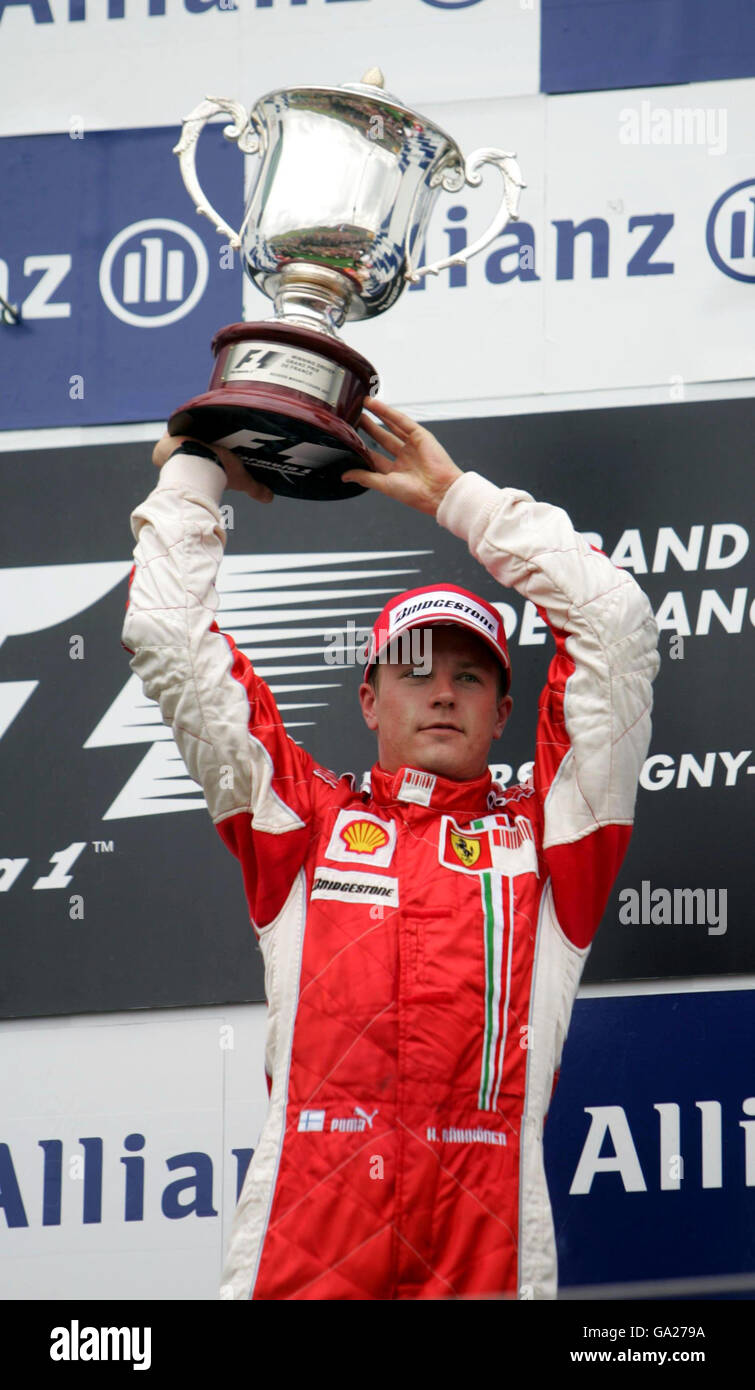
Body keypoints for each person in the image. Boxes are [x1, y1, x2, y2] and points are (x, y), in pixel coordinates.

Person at [121, 397, 660, 1300]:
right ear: (369, 701)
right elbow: (168, 639)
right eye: (413, 673)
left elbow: (614, 629)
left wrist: (458, 499)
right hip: (300, 1251)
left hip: (484, 1258)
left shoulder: (550, 842)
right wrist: (194, 475)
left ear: (501, 710)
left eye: (468, 676)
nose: (440, 694)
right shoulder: (301, 823)